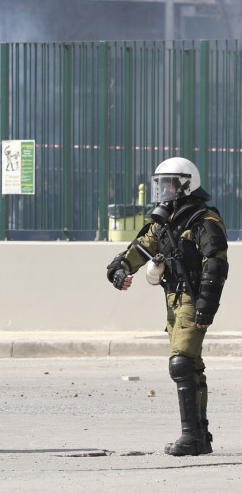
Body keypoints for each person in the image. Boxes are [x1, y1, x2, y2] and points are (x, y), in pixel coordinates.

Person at [105, 157, 228, 456]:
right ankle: (200, 436)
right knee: (192, 366)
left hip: (192, 297)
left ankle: (191, 437)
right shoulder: (164, 222)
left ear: (187, 184)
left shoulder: (204, 220)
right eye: (161, 183)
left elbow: (215, 265)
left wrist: (205, 308)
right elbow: (137, 250)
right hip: (172, 299)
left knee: (181, 363)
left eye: (170, 183)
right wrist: (119, 269)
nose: (163, 189)